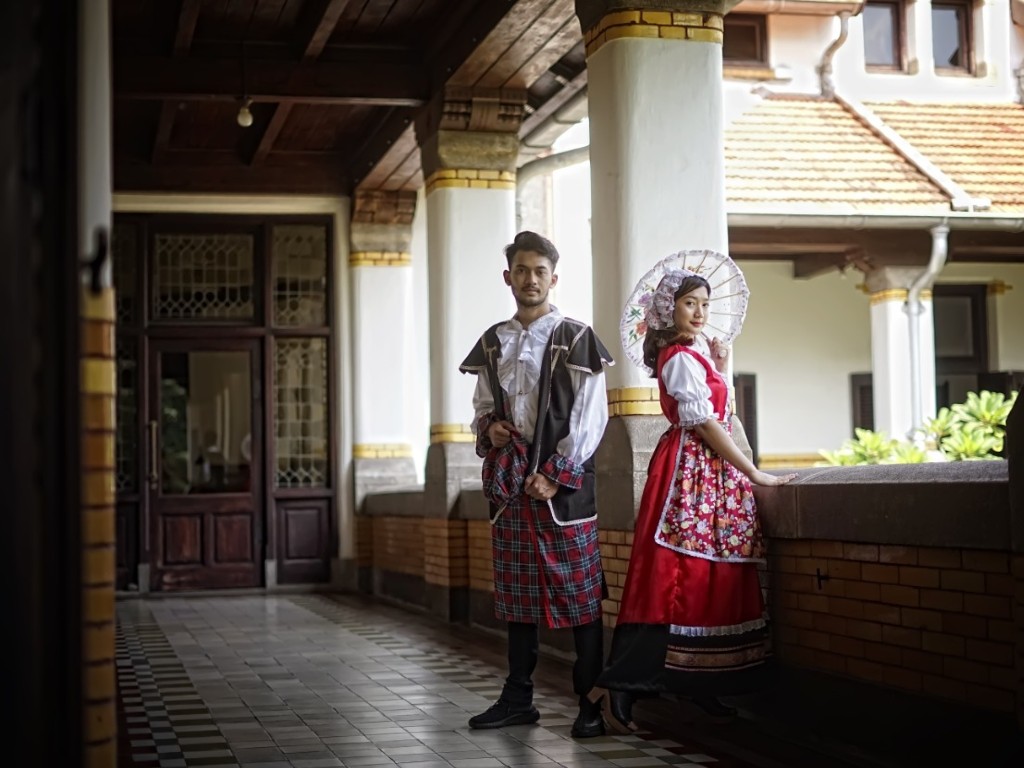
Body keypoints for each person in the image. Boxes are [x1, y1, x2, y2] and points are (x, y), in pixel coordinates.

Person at [589, 268, 796, 733]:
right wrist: (754, 471)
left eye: (704, 303)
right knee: (670, 575)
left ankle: (702, 683)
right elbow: (703, 423)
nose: (699, 311)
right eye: (689, 303)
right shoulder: (678, 356)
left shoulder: (700, 353)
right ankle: (626, 683)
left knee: (714, 571)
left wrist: (721, 367)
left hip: (712, 474)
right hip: (689, 472)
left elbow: (721, 411)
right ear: (668, 309)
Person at [459, 231, 614, 738]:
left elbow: (592, 417)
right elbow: (482, 407)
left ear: (554, 277)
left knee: (581, 600)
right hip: (512, 493)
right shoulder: (492, 341)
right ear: (509, 277)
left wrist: (556, 473)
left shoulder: (576, 336)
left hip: (563, 495)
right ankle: (517, 699)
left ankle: (591, 704)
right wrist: (492, 429)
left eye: (539, 271)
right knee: (518, 599)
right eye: (521, 271)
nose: (530, 280)